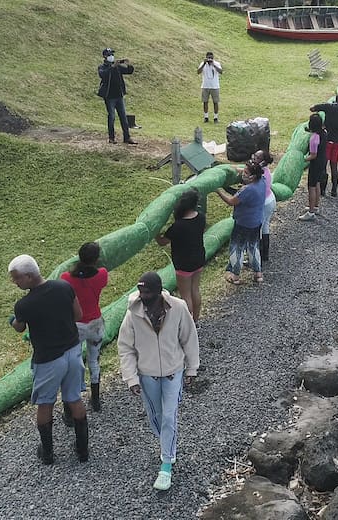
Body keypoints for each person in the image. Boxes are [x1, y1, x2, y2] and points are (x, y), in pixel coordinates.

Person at [118, 272, 199, 491]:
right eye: (141, 292)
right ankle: (167, 443)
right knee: (156, 416)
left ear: (158, 292)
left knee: (169, 416)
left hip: (174, 372)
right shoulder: (133, 313)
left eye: (147, 293)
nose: (143, 296)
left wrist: (192, 368)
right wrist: (131, 378)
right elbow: (125, 347)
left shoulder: (178, 308)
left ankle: (166, 465)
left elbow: (189, 338)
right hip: (147, 376)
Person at [8, 254, 89, 465]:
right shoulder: (64, 287)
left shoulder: (24, 305)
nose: (14, 282)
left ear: (28, 276)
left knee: (45, 403)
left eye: (16, 278)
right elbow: (78, 315)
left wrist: (13, 320)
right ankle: (83, 450)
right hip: (73, 351)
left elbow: (19, 327)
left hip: (48, 360)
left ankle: (47, 453)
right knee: (74, 398)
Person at [60, 242, 108, 413]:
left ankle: (70, 405)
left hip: (76, 325)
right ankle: (96, 401)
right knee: (94, 361)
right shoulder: (102, 275)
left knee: (73, 363)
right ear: (96, 259)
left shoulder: (66, 278)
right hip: (95, 324)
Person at [155, 188, 206, 323]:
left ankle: (188, 325)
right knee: (195, 290)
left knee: (186, 296)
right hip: (199, 259)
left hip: (184, 264)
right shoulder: (201, 217)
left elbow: (162, 242)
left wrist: (156, 233)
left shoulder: (178, 226)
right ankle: (195, 321)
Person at [217, 161, 266, 283]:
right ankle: (258, 273)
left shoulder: (248, 190)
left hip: (243, 223)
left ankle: (235, 275)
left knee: (237, 247)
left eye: (245, 172)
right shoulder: (262, 181)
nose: (243, 174)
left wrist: (218, 191)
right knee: (253, 246)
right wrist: (234, 168)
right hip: (256, 221)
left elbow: (231, 201)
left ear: (252, 176)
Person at [310, 93, 338, 197]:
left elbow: (313, 108)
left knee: (324, 166)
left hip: (327, 141)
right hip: (337, 142)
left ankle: (323, 190)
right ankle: (334, 190)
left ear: (336, 100)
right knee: (334, 166)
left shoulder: (330, 107)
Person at [97, 47, 137, 145]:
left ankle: (127, 137)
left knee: (123, 117)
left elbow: (129, 71)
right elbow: (103, 75)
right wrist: (112, 67)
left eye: (112, 54)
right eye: (109, 55)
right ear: (105, 56)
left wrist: (128, 64)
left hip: (119, 96)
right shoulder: (102, 67)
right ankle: (111, 138)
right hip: (109, 97)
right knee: (111, 117)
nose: (111, 56)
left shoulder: (118, 67)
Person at [298, 113, 327, 222]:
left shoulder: (314, 138)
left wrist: (302, 159)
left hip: (316, 163)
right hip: (323, 161)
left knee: (311, 187)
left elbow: (313, 155)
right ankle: (315, 207)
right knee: (317, 183)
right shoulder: (324, 132)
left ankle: (310, 213)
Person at [251, 149, 276, 263]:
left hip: (264, 203)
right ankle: (264, 255)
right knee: (265, 226)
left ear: (262, 161)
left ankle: (256, 258)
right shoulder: (266, 170)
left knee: (258, 229)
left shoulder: (259, 173)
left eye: (256, 157)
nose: (253, 158)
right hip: (270, 200)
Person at [197, 51, 223, 124]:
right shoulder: (203, 64)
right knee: (205, 102)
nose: (210, 59)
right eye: (208, 58)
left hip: (215, 86)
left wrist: (213, 65)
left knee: (216, 102)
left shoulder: (217, 63)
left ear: (213, 58)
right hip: (205, 86)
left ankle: (215, 118)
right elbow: (198, 72)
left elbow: (221, 71)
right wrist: (204, 63)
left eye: (211, 58)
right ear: (206, 57)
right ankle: (206, 117)